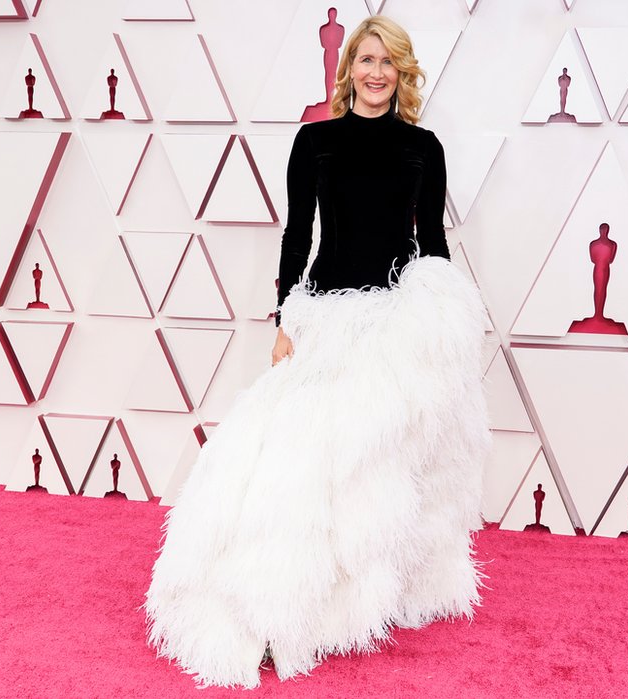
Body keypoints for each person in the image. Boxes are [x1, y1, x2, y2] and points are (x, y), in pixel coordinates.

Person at [145, 16, 490, 689]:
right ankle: (278, 606)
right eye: (366, 59)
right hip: (326, 322)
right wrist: (286, 320)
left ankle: (356, 604)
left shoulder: (423, 148)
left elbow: (434, 244)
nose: (376, 72)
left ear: (402, 72)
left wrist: (445, 323)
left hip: (394, 327)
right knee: (300, 469)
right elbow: (296, 236)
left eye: (388, 62)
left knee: (375, 473)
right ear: (348, 67)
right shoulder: (315, 142)